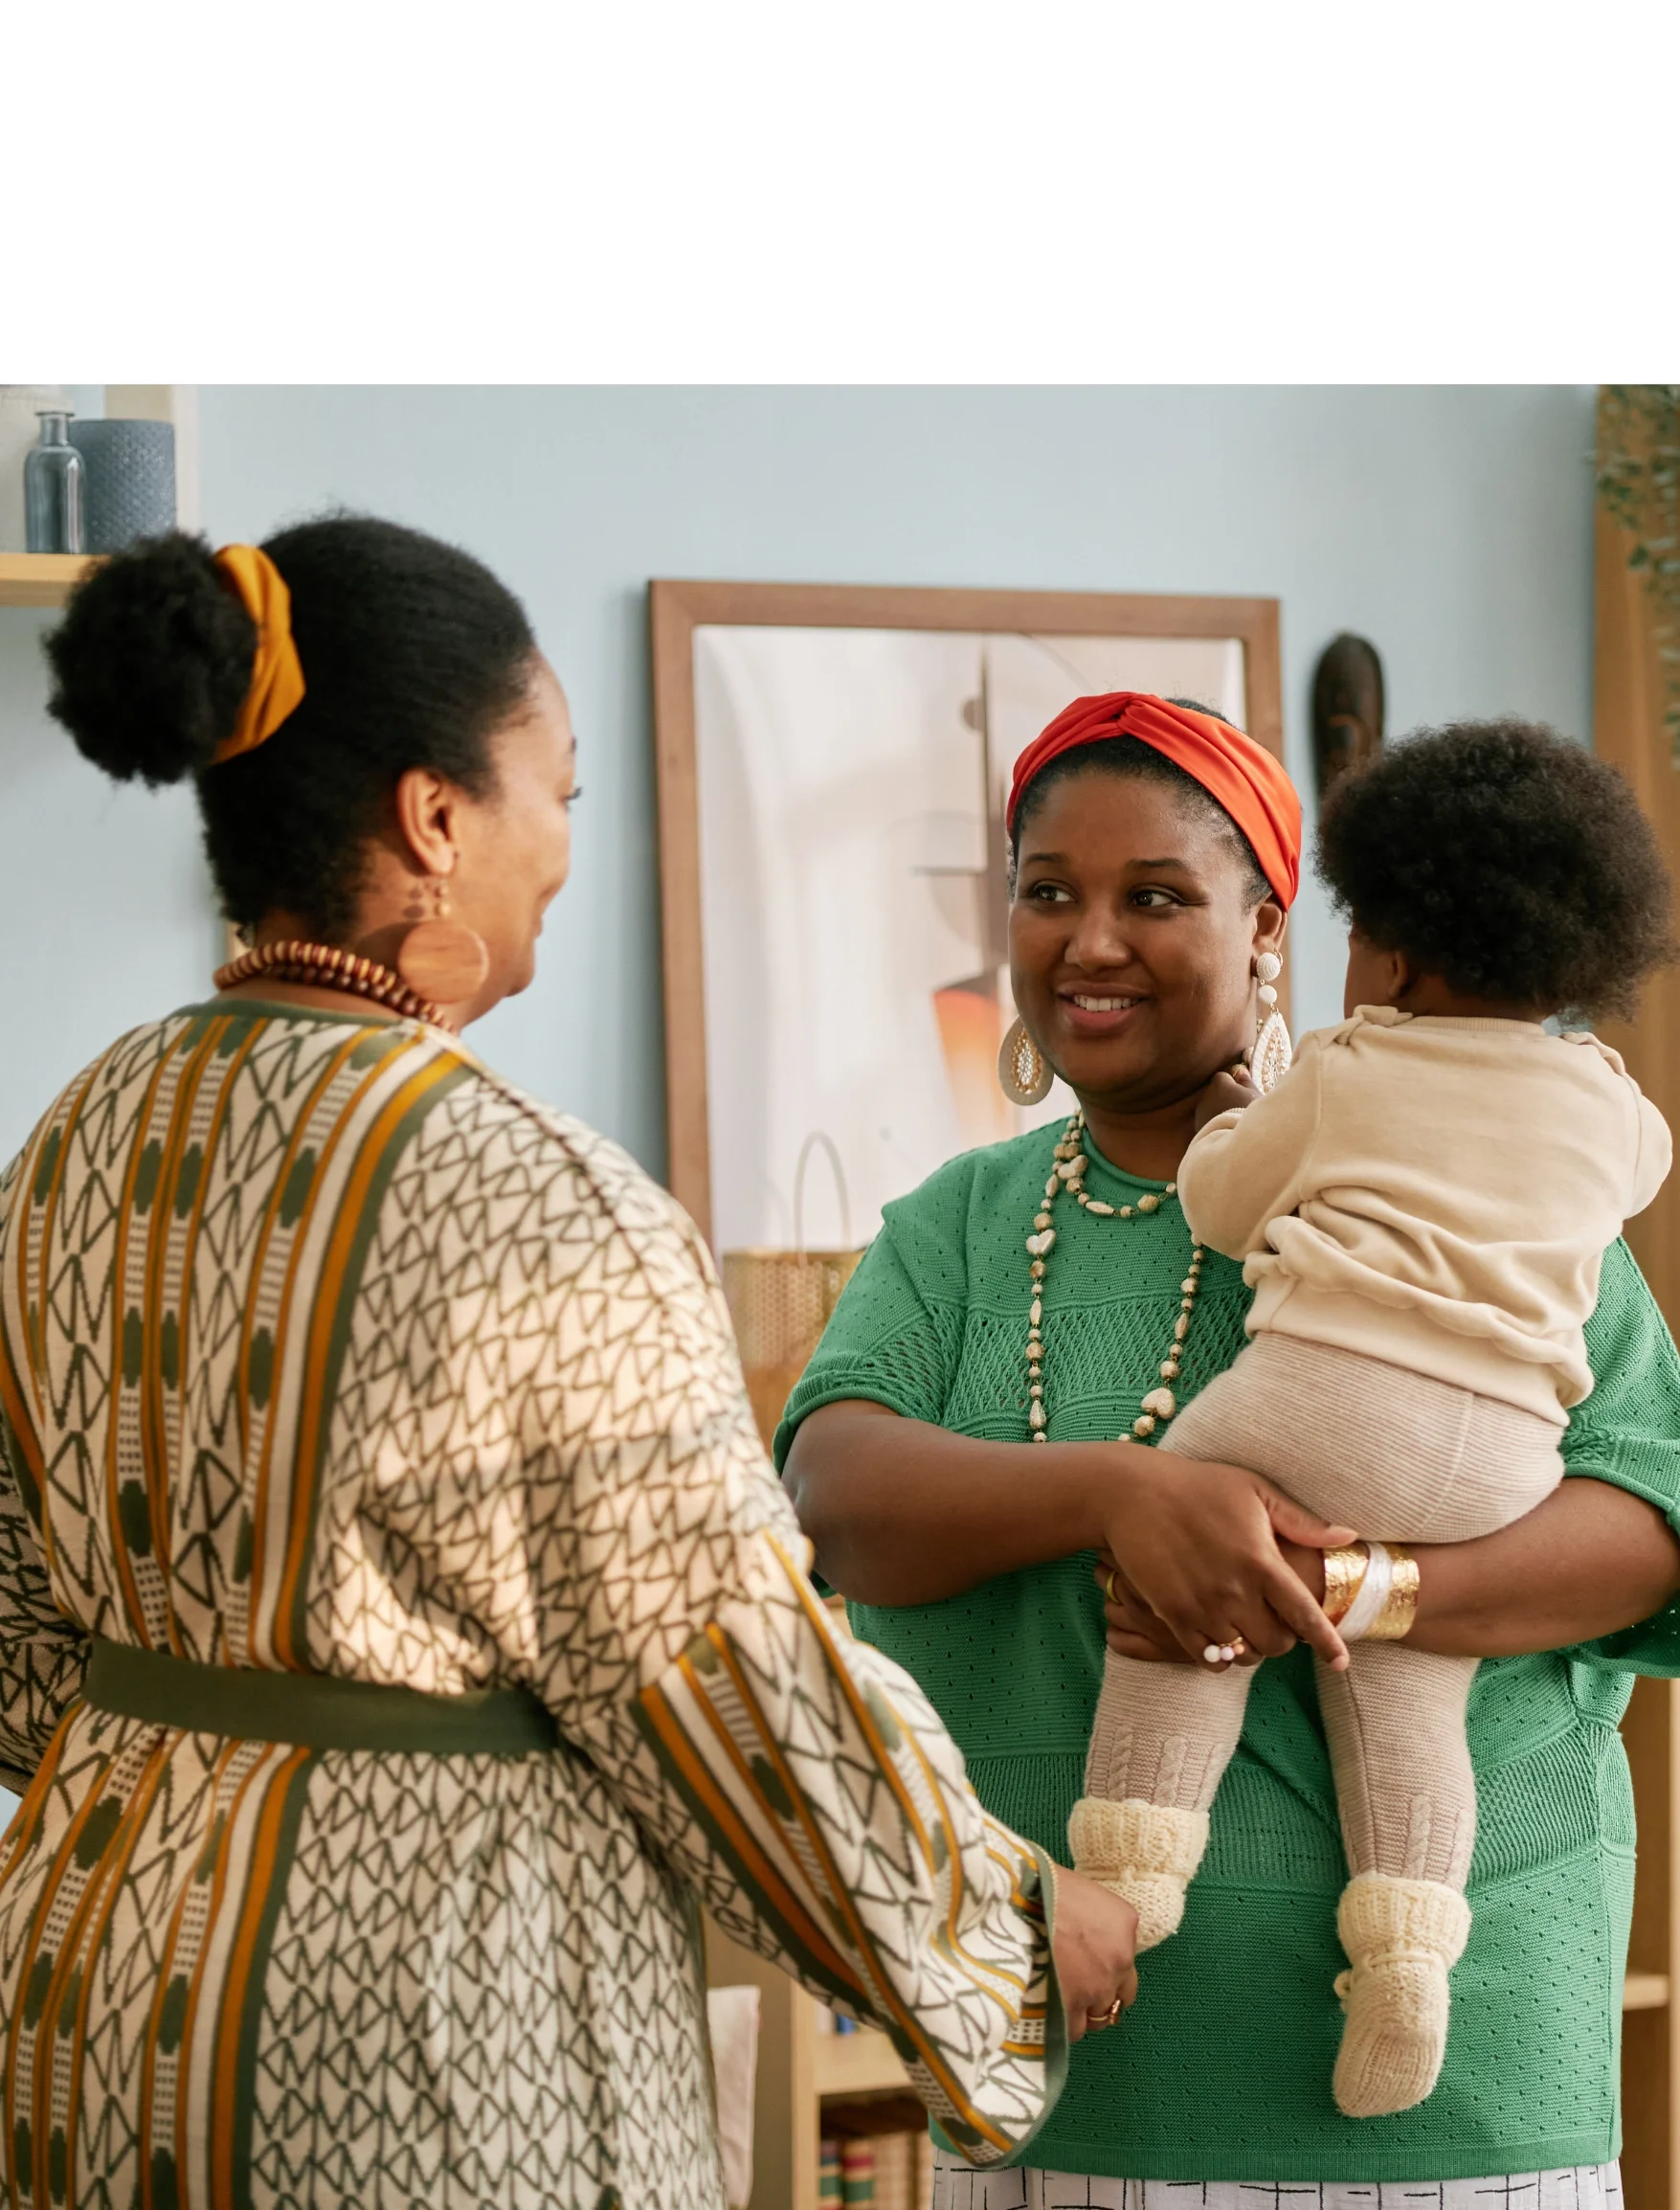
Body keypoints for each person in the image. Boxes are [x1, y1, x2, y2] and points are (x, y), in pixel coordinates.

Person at [0, 523, 1138, 2210]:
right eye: (559, 792)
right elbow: (721, 1679)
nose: (561, 847)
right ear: (434, 818)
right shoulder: (536, 1197)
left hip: (88, 1976)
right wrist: (1005, 1923)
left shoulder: (80, 1132)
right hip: (415, 2035)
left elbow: (24, 1634)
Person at [780, 690, 1680, 2210]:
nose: (1088, 941)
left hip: (1453, 2104)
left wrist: (1369, 1590)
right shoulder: (964, 1224)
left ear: (1271, 933)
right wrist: (1125, 1494)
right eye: (1046, 891)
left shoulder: (1468, 1192)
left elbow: (1647, 1530)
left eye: (1155, 897)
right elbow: (838, 1498)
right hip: (1066, 2061)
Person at [1069, 715, 1673, 2122]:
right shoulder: (1607, 1104)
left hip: (1330, 1401)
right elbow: (1632, 1175)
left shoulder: (1343, 1069)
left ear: (1391, 954)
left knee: (1193, 1544)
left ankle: (1134, 1868)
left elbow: (1223, 1205)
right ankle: (1405, 1955)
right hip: (1502, 1468)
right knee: (1410, 1693)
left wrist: (1247, 1112)